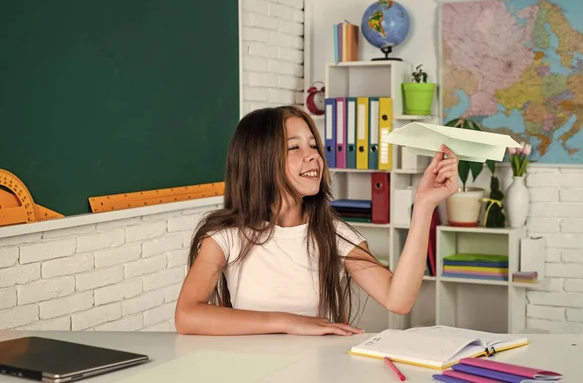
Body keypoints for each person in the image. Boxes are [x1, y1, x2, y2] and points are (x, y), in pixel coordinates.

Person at [175, 105, 458, 336]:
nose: (313, 156)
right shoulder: (226, 237)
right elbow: (187, 316)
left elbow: (399, 299)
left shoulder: (332, 233)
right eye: (294, 148)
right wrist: (288, 322)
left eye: (313, 145)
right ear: (259, 161)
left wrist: (423, 206)